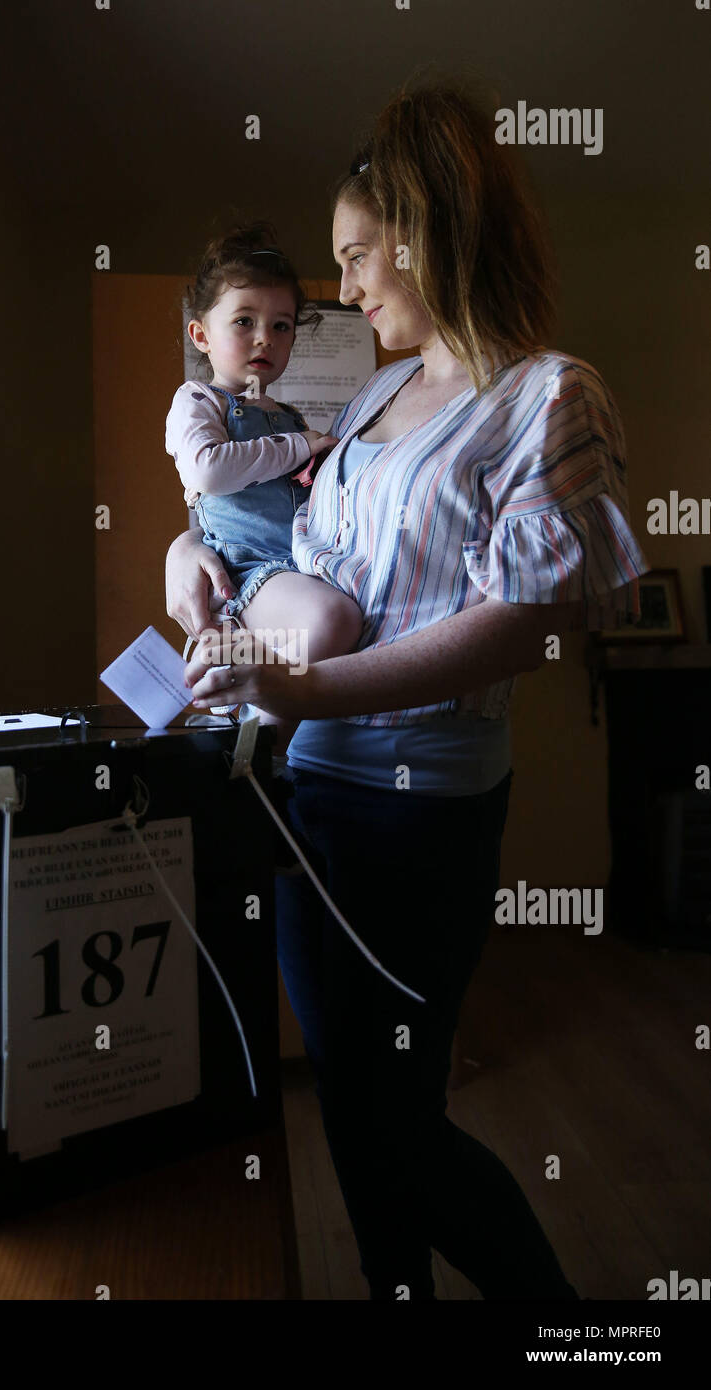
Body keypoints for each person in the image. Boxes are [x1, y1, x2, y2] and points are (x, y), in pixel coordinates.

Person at [166, 81, 648, 1300]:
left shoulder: (548, 396)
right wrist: (191, 560)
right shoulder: (373, 396)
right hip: (301, 798)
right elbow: (291, 550)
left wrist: (310, 690)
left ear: (427, 230)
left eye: (355, 256)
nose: (343, 290)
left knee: (402, 1118)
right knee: (348, 1101)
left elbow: (518, 629)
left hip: (411, 816)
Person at [166, 222, 362, 744]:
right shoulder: (197, 402)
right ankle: (266, 743)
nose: (264, 338)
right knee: (333, 618)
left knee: (338, 618)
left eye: (282, 326)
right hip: (246, 569)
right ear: (201, 334)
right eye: (245, 320)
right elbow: (207, 468)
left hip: (298, 559)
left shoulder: (289, 414)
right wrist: (300, 447)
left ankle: (251, 710)